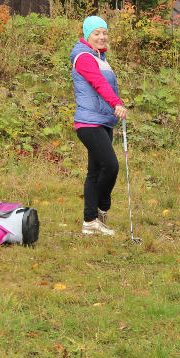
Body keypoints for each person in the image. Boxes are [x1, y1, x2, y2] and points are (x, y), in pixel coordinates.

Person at [70, 16, 128, 235]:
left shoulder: (100, 57)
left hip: (103, 121)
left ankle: (90, 221)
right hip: (88, 122)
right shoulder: (84, 57)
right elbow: (98, 82)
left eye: (104, 33)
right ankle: (102, 208)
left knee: (94, 172)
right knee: (110, 166)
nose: (102, 37)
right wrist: (117, 103)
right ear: (88, 35)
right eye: (97, 33)